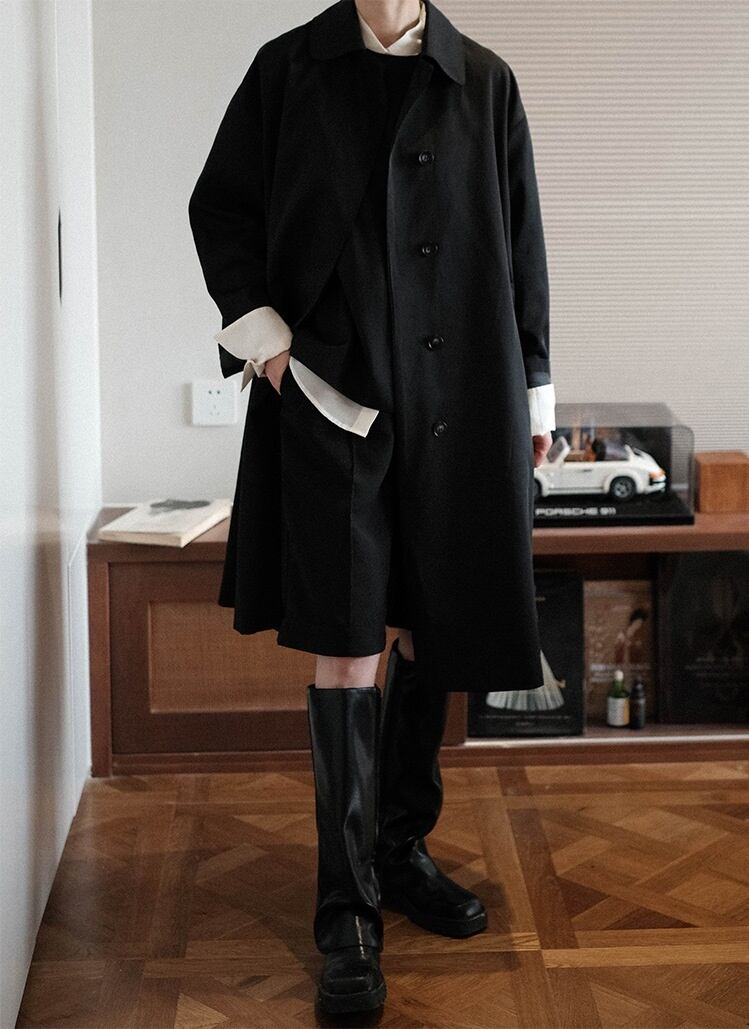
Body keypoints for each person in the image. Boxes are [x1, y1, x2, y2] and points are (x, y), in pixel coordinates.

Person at [189, 0, 555, 1014]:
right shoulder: (287, 70)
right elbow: (220, 209)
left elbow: (521, 238)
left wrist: (532, 392)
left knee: (430, 628)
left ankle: (399, 850)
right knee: (347, 639)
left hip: (461, 401)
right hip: (331, 403)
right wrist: (268, 347)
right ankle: (344, 910)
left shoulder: (483, 82)